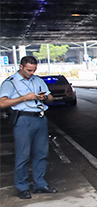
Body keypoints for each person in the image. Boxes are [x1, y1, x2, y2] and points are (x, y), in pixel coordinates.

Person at [0, 56, 59, 199]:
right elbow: (2, 103)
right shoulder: (10, 83)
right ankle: (22, 187)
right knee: (23, 155)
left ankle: (40, 184)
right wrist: (24, 98)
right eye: (29, 70)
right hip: (23, 119)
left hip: (39, 118)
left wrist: (43, 97)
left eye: (34, 70)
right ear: (21, 67)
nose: (31, 73)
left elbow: (50, 98)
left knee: (41, 153)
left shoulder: (37, 80)